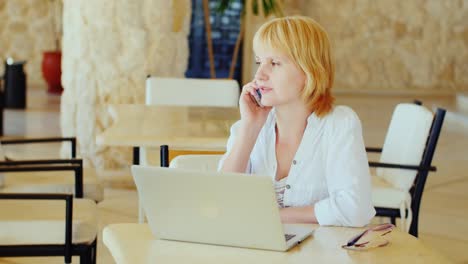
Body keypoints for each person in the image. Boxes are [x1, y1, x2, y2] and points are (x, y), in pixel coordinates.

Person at [218, 16, 375, 227]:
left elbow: (355, 209)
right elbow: (222, 200)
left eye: (274, 63)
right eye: (259, 62)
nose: (259, 74)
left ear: (309, 70)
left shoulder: (339, 124)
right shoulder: (250, 126)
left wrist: (272, 216)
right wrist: (250, 128)